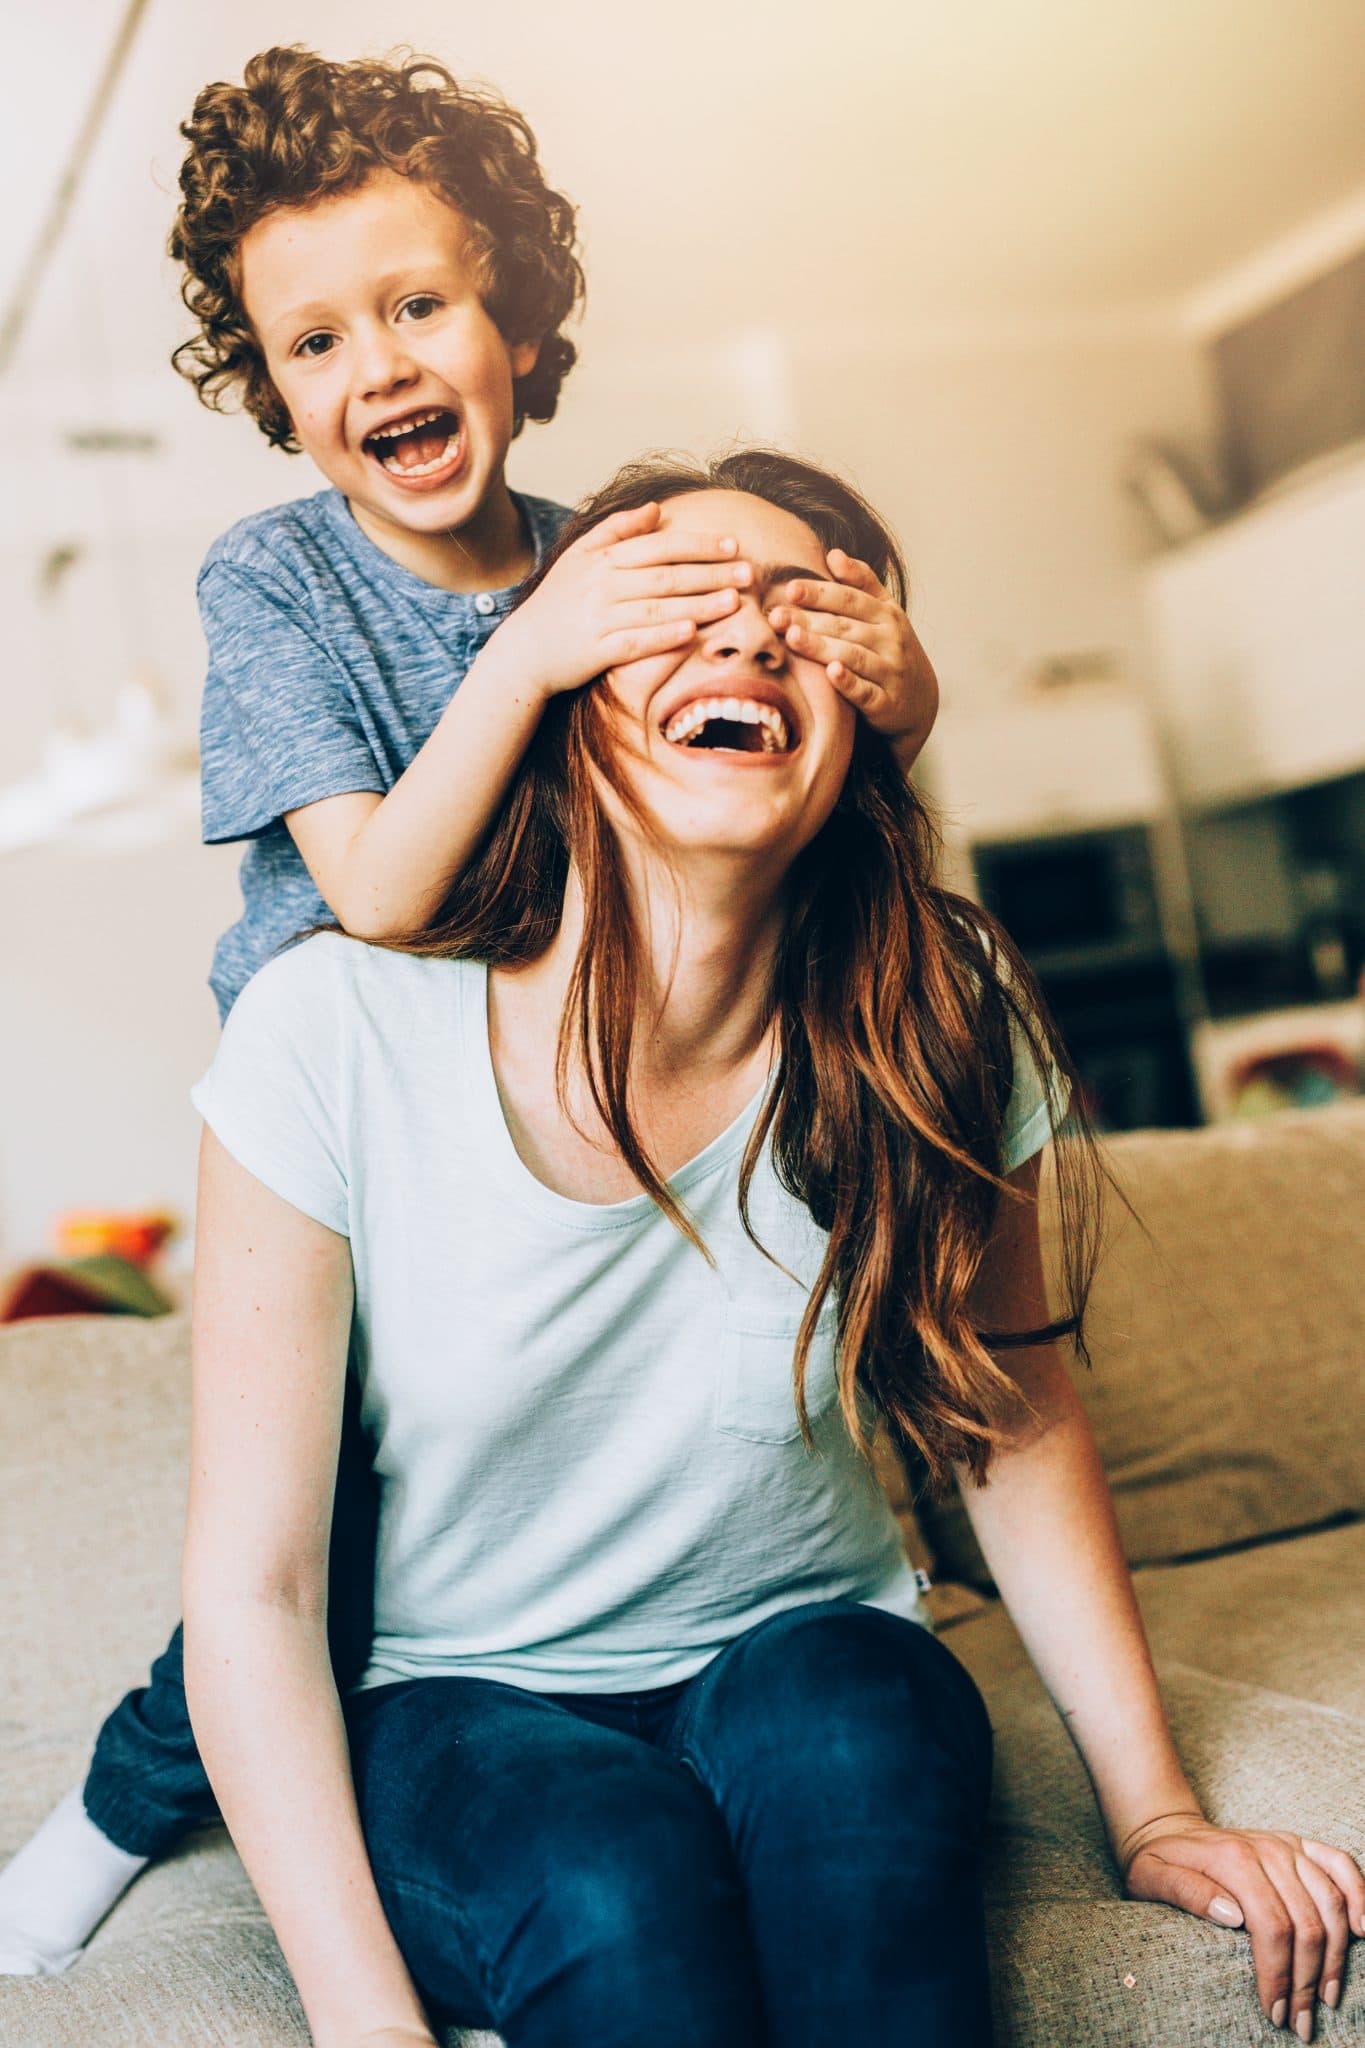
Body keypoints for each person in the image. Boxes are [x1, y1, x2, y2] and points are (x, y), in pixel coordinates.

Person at [178, 451, 1362, 2048]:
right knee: (612, 1877)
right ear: (565, 694)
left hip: (814, 1648)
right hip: (463, 1698)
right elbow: (254, 1587)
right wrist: (364, 2026)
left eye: (802, 612)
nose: (744, 640)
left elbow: (1012, 1415)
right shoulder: (331, 1028)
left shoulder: (934, 1013)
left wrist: (1154, 1814)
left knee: (853, 1741)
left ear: (861, 732)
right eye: (680, 605)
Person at [0, 52, 939, 1978]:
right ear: (276, 393)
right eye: (315, 339)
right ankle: (116, 1804)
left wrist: (890, 678)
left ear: (514, 314)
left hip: (563, 1104)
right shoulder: (275, 580)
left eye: (420, 304)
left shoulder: (623, 545)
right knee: (320, 1553)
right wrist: (534, 651)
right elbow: (378, 892)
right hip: (363, 1140)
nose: (381, 366)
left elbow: (774, 746)